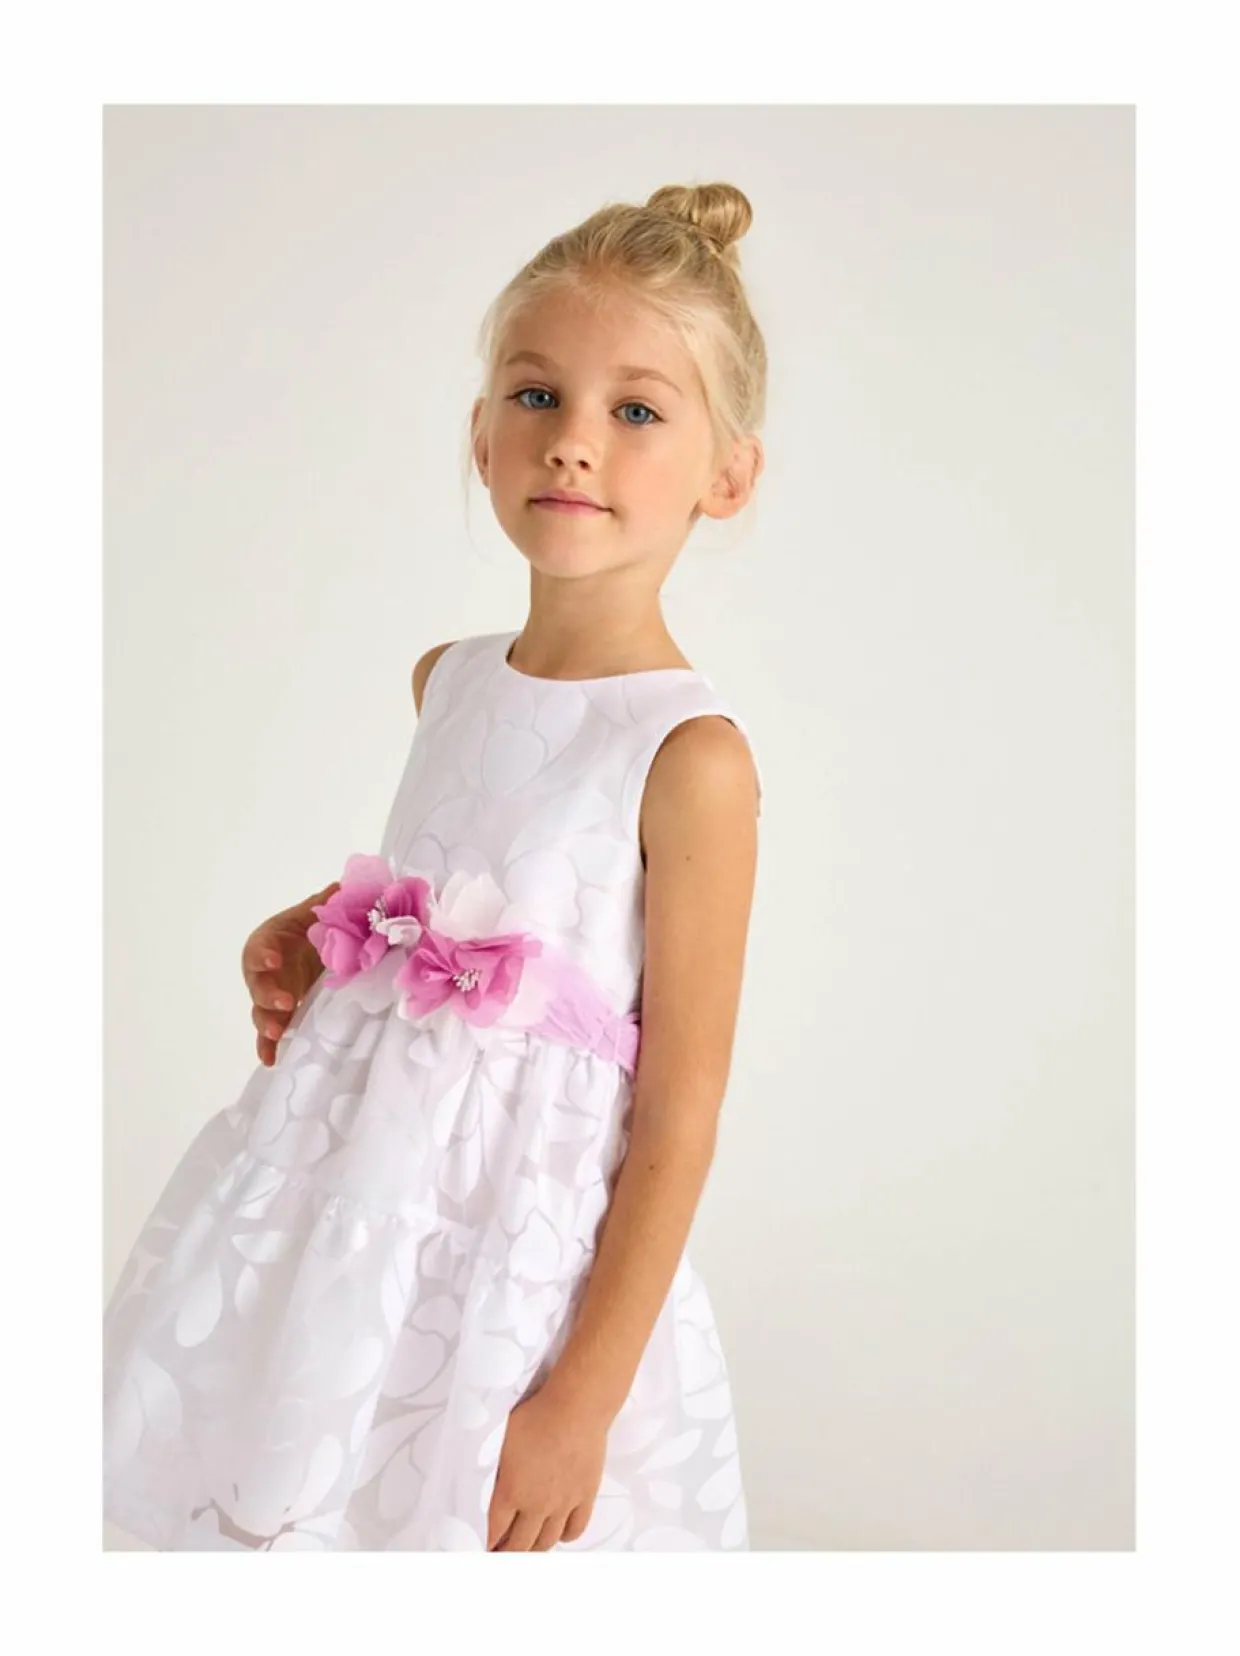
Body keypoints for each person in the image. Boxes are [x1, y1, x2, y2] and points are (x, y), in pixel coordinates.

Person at [103, 179, 767, 1552]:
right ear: (481, 434)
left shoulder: (687, 755)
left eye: (637, 412)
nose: (573, 439)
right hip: (349, 1201)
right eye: (538, 394)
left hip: (510, 1249)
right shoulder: (448, 680)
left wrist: (583, 1399)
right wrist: (311, 932)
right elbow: (460, 890)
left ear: (728, 474)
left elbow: (682, 1103)